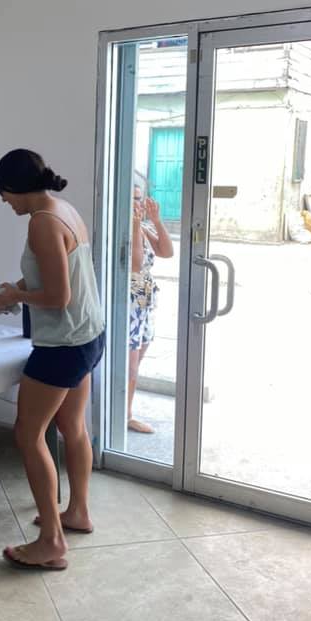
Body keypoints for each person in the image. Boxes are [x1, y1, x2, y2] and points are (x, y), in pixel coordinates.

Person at [0, 149, 105, 571]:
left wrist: (19, 295)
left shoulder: (41, 222)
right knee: (72, 427)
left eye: (3, 193)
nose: (4, 201)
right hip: (88, 334)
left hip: (62, 345)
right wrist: (15, 290)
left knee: (28, 433)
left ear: (16, 187)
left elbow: (58, 296)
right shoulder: (62, 209)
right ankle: (77, 512)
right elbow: (55, 273)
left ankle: (52, 541)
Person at [128, 182, 174, 434]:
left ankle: (126, 411)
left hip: (144, 300)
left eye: (139, 198)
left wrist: (156, 220)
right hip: (129, 301)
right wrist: (135, 226)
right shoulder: (124, 228)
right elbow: (135, 265)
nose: (137, 203)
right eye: (132, 198)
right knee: (130, 363)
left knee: (138, 358)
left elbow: (167, 251)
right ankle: (125, 415)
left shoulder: (143, 228)